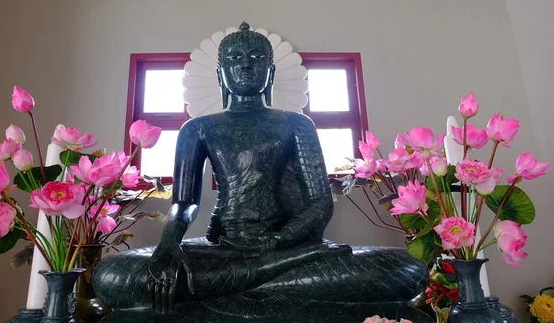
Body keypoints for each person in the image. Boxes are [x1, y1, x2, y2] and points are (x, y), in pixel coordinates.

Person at [93, 23, 428, 320]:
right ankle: (268, 282)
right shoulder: (198, 129)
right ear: (220, 73)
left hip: (287, 248)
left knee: (405, 268)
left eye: (255, 58)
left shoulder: (296, 124)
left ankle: (242, 286)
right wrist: (168, 246)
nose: (245, 66)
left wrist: (280, 240)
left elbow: (319, 204)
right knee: (112, 274)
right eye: (235, 59)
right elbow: (184, 202)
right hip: (221, 248)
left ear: (270, 72)